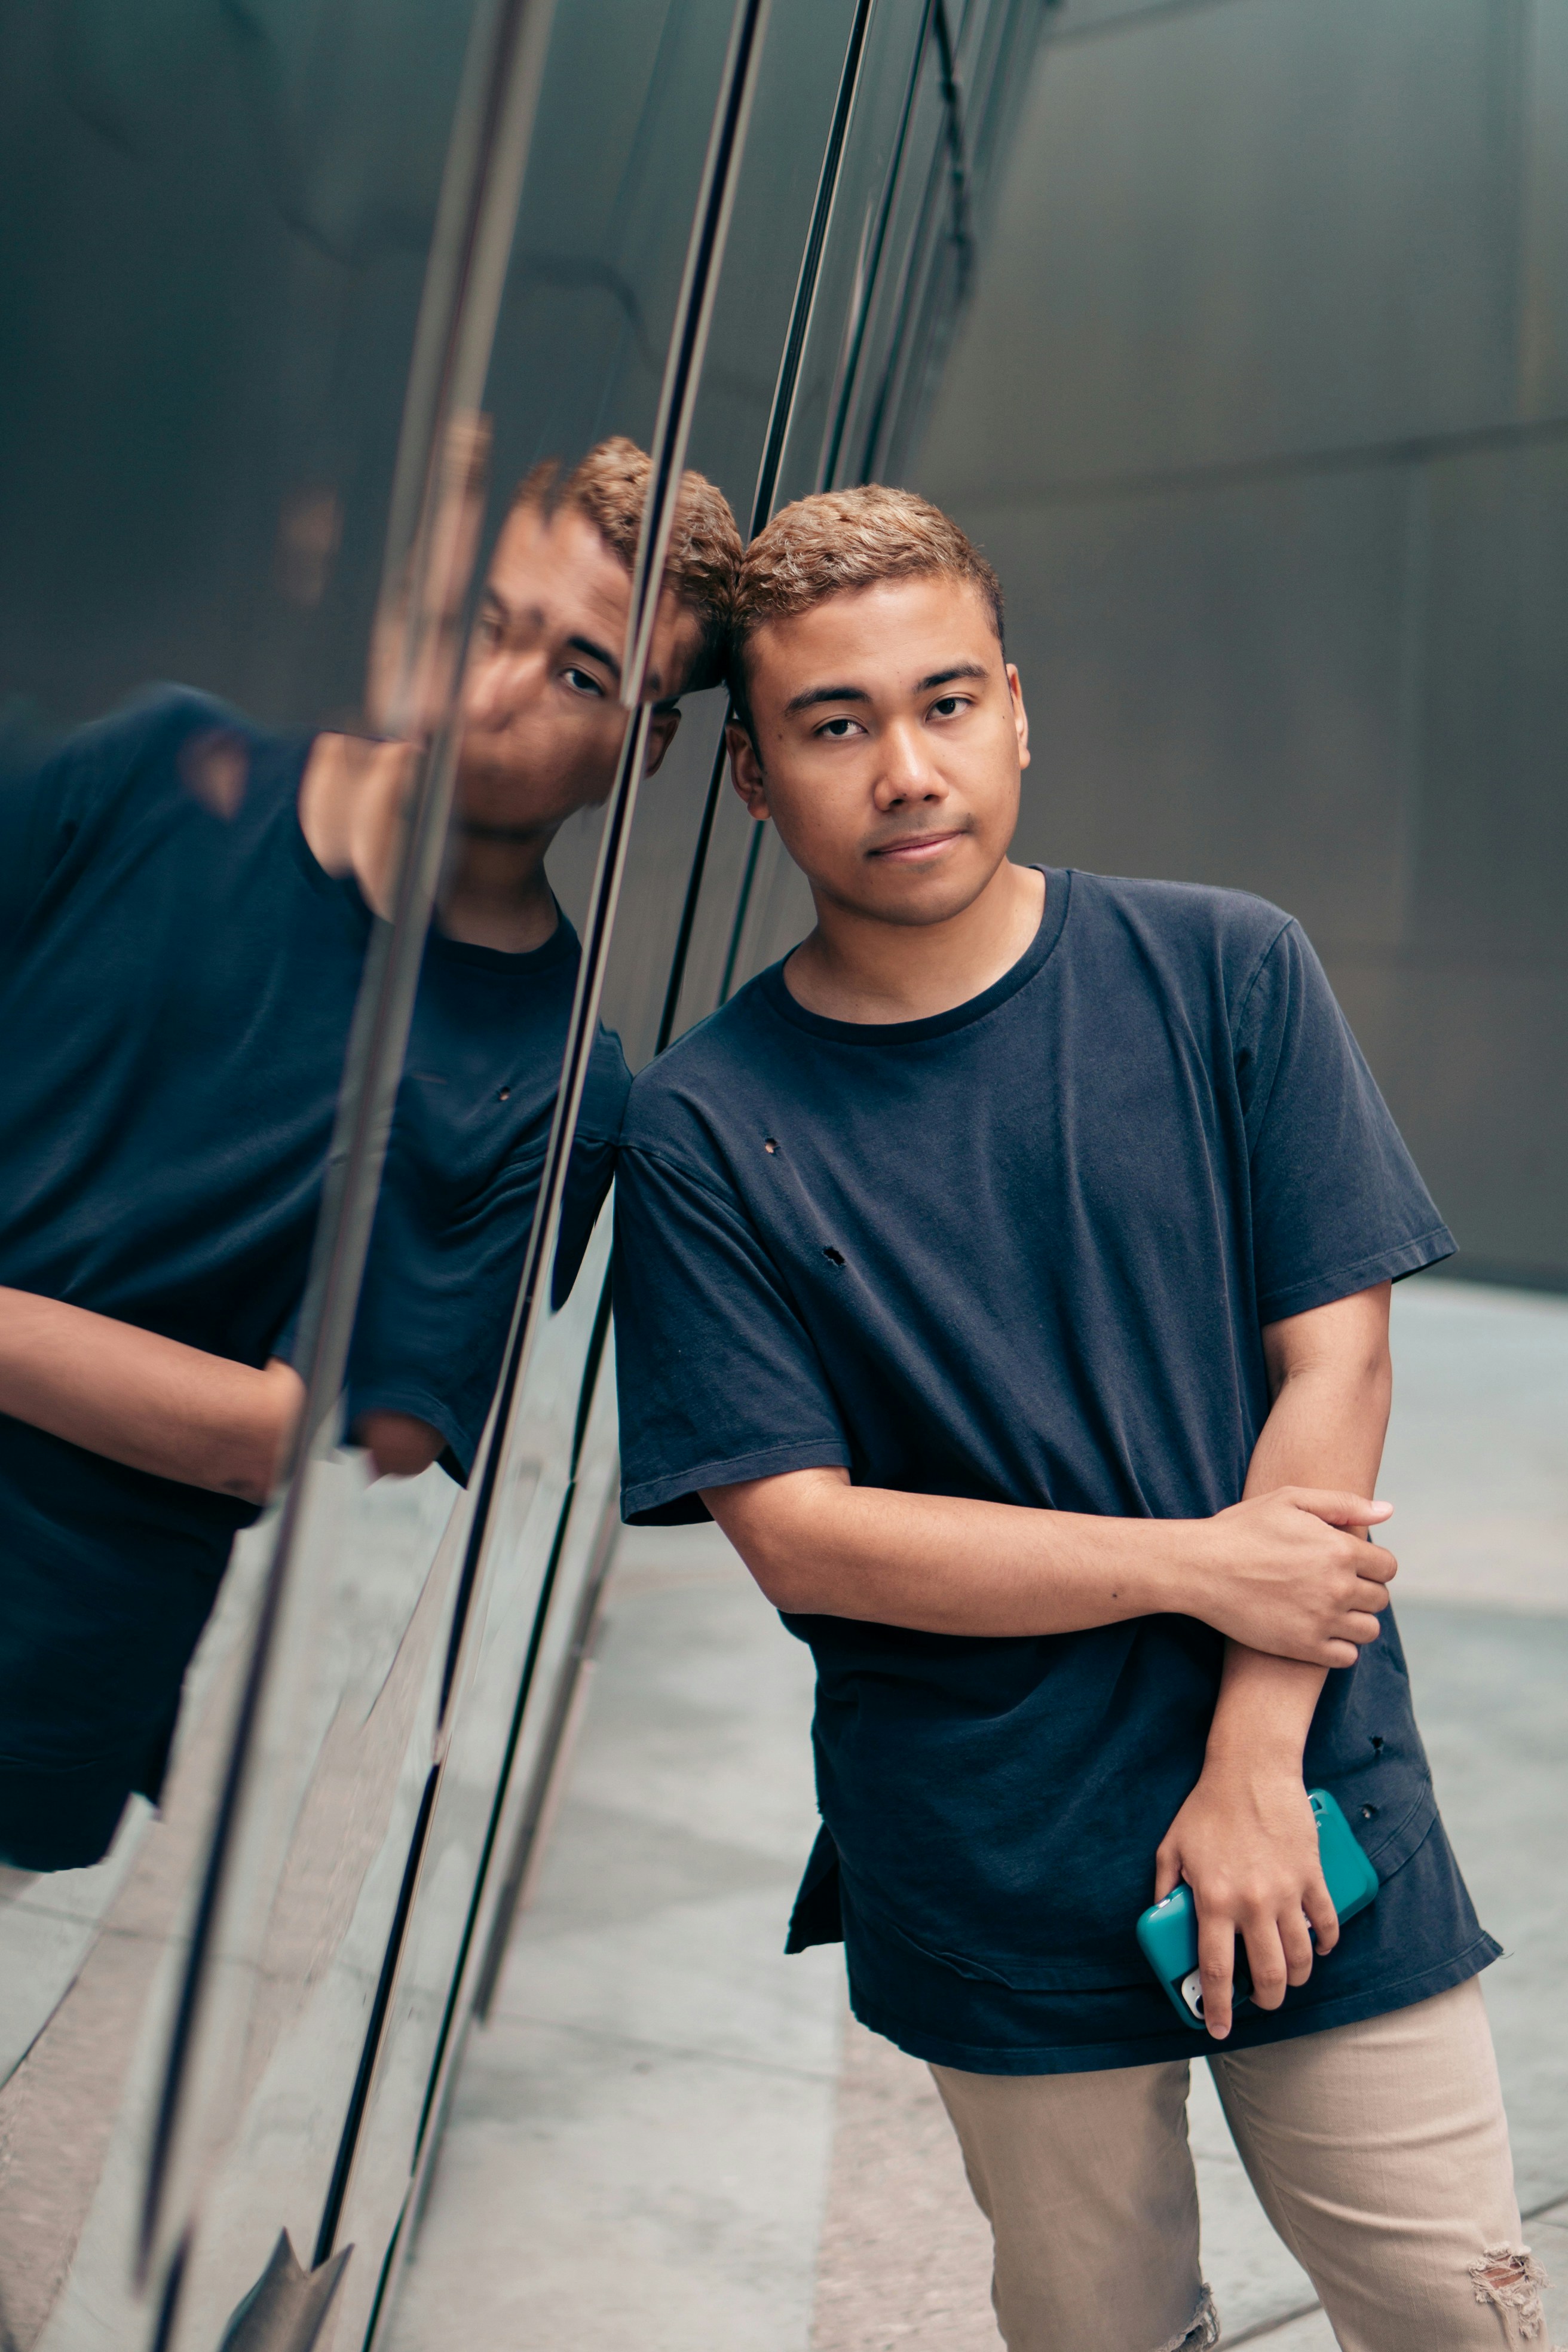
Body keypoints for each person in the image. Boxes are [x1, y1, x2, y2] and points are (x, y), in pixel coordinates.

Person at [611, 485, 1542, 2351]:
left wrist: (1256, 1762)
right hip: (987, 1846)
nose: (907, 769)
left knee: (1466, 2311)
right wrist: (1199, 1563)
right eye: (836, 724)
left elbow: (1337, 1366)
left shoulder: (1227, 972)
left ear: (1017, 712)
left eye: (946, 702)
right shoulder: (706, 1122)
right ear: (753, 776)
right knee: (1099, 2328)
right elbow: (803, 1535)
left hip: (1312, 1783)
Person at [0, 436, 741, 1875]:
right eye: (487, 620)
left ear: (645, 746)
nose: (491, 690)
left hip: (46, 1657)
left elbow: (279, 1435)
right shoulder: (154, 767)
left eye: (577, 674)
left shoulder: (555, 1077)